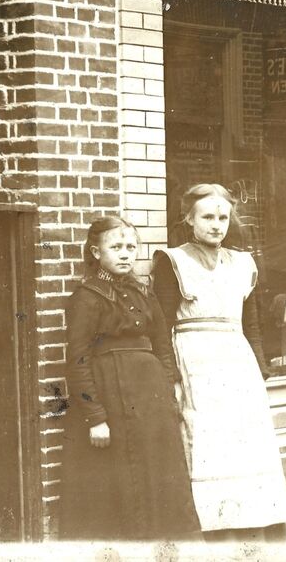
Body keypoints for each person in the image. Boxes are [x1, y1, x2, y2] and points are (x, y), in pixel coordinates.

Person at [152, 183, 286, 538]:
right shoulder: (172, 261)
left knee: (246, 444)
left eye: (222, 217)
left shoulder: (243, 263)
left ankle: (251, 524)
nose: (216, 224)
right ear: (189, 219)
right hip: (197, 362)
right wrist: (170, 377)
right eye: (207, 217)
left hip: (237, 363)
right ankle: (215, 531)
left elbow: (252, 324)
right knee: (207, 443)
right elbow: (161, 325)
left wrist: (259, 370)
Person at [60, 216, 200, 540]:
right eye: (116, 247)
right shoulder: (87, 297)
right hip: (111, 396)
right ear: (96, 252)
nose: (125, 254)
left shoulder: (144, 292)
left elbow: (163, 345)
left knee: (158, 479)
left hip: (150, 401)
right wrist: (95, 417)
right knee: (122, 483)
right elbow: (77, 360)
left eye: (131, 247)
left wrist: (169, 392)